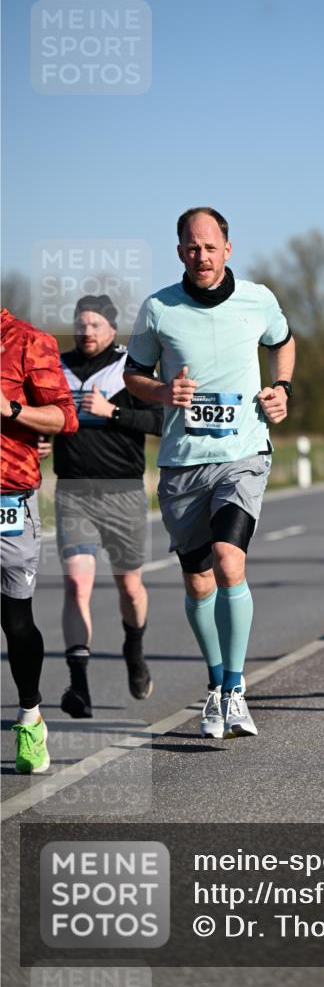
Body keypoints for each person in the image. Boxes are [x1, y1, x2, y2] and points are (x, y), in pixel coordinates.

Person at [124, 207, 295, 739]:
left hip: (243, 454)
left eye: (210, 245)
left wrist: (282, 388)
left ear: (228, 248)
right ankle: (216, 681)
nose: (202, 255)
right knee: (198, 579)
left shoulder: (258, 299)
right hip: (182, 463)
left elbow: (283, 341)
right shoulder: (158, 309)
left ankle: (235, 691)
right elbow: (133, 374)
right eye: (191, 247)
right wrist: (161, 392)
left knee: (228, 560)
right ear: (180, 252)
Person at [52, 294, 163, 719]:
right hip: (73, 491)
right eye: (81, 324)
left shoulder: (128, 370)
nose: (87, 331)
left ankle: (134, 650)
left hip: (123, 492)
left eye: (95, 324)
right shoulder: (57, 369)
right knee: (77, 585)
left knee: (129, 587)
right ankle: (78, 685)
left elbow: (159, 422)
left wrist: (112, 412)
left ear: (112, 330)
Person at [0, 307, 78, 773]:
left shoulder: (28, 341)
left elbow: (64, 418)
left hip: (9, 500)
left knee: (16, 623)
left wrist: (11, 409)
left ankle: (30, 716)